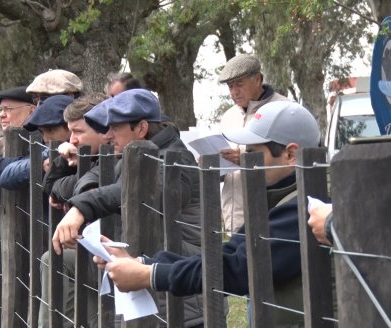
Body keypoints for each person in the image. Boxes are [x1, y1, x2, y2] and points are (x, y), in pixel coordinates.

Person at [94, 100, 321, 327]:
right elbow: (228, 253)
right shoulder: (280, 200)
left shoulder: (307, 206)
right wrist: (144, 263)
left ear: (291, 154)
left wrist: (149, 275)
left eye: (253, 154)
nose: (245, 162)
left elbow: (236, 270)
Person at [52, 88, 205, 327]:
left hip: (181, 302)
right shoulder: (128, 155)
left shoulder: (175, 158)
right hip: (150, 294)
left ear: (141, 128)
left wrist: (81, 208)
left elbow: (144, 191)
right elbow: (96, 179)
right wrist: (86, 192)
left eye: (114, 127)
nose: (107, 135)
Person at [38, 93, 108, 328]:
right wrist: (62, 160)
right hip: (99, 257)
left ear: (103, 130)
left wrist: (72, 189)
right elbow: (51, 189)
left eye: (78, 132)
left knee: (57, 259)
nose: (72, 140)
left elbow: (80, 187)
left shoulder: (113, 157)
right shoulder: (87, 157)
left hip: (121, 260)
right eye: (70, 132)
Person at [218, 54, 288, 234]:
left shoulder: (284, 110)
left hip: (270, 213)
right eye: (230, 86)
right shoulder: (228, 116)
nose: (234, 92)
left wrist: (248, 160)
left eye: (239, 84)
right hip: (233, 214)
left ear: (258, 79)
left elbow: (290, 162)